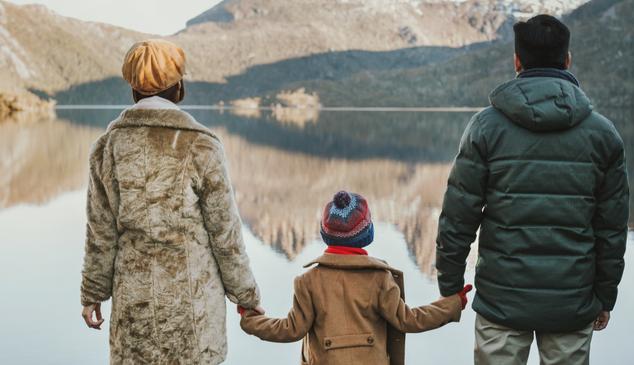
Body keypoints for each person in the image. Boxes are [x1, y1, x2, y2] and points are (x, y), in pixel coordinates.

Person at [435, 14, 630, 365]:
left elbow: (458, 217)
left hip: (500, 304)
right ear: (567, 59)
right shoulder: (603, 135)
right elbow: (612, 229)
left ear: (517, 61)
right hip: (572, 303)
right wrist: (604, 296)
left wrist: (450, 287)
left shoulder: (485, 128)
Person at [79, 39, 263, 365]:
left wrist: (93, 293)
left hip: (134, 309)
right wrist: (246, 296)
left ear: (133, 89)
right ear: (178, 86)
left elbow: (100, 233)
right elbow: (225, 234)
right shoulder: (201, 145)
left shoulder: (107, 147)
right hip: (193, 313)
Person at [239, 191, 473, 365]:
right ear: (366, 234)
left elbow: (289, 329)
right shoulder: (379, 279)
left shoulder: (308, 281)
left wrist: (250, 320)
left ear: (325, 234)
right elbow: (409, 320)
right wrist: (452, 304)